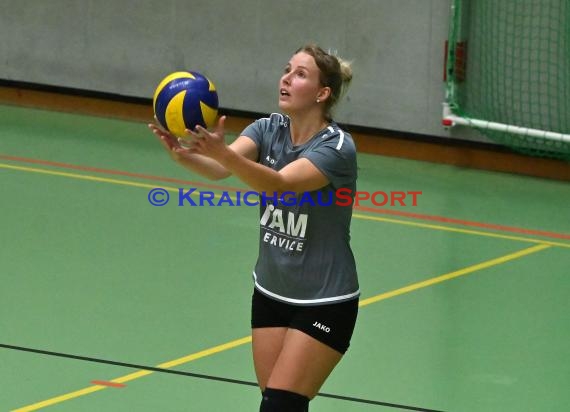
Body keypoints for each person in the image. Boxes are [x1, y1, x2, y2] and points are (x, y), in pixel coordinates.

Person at [149, 43, 359, 412]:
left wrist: (222, 152)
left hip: (324, 300)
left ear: (322, 93)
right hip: (270, 293)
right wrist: (184, 157)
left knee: (280, 405)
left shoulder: (337, 147)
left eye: (300, 74)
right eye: (287, 69)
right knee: (277, 402)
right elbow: (219, 169)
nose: (286, 78)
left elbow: (279, 184)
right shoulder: (267, 129)